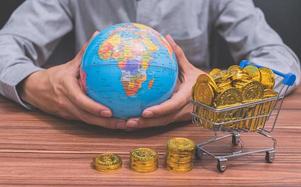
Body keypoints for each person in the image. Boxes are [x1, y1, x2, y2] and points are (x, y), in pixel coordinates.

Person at [0, 0, 300, 130]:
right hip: (83, 136)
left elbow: (280, 60)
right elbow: (6, 44)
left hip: (189, 138)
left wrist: (213, 91)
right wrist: (33, 83)